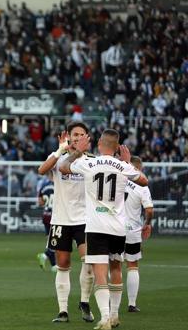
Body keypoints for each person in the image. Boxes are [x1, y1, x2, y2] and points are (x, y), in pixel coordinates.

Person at [60, 129, 148, 330]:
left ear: (99, 144)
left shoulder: (88, 163)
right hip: (118, 227)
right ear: (117, 147)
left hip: (96, 227)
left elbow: (64, 167)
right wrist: (125, 163)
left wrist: (77, 152)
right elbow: (144, 181)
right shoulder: (122, 166)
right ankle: (115, 315)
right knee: (116, 268)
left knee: (101, 274)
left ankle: (105, 318)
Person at [38, 122, 95, 323]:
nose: (78, 137)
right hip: (60, 220)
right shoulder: (58, 157)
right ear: (69, 137)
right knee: (63, 265)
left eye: (82, 134)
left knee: (89, 262)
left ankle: (85, 302)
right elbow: (41, 170)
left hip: (85, 220)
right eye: (75, 134)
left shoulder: (91, 161)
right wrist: (60, 149)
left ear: (87, 138)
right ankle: (63, 311)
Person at [123, 156, 154, 313]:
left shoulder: (117, 178)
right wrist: (147, 224)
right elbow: (149, 210)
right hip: (132, 230)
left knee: (112, 263)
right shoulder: (142, 186)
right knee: (132, 266)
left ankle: (109, 301)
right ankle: (131, 304)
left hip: (113, 228)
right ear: (138, 168)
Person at [37, 172, 57, 271]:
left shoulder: (44, 186)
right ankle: (44, 255)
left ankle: (54, 266)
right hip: (55, 216)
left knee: (51, 241)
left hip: (45, 215)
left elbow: (40, 202)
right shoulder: (59, 185)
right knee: (55, 242)